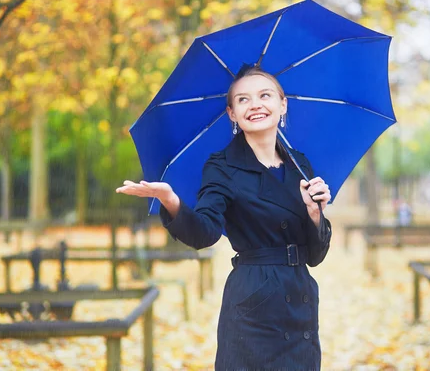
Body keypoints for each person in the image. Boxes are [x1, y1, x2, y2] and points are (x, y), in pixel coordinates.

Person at [116, 65, 332, 370]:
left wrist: (315, 214)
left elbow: (315, 256)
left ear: (282, 104)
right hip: (254, 304)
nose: (255, 104)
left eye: (265, 95)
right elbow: (205, 233)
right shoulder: (222, 166)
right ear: (232, 114)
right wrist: (170, 199)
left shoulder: (301, 165)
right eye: (243, 100)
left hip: (301, 302)